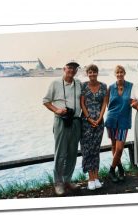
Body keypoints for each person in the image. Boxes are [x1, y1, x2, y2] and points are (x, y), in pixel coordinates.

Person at [43, 60, 82, 196]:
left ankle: (67, 181)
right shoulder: (55, 83)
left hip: (76, 121)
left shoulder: (79, 83)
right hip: (61, 121)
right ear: (64, 69)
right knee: (60, 154)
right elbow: (46, 101)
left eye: (74, 68)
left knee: (72, 153)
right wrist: (56, 110)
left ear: (77, 71)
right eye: (69, 67)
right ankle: (58, 183)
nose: (72, 70)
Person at [80, 64, 108, 190]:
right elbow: (82, 104)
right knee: (87, 149)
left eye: (94, 72)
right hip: (86, 122)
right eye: (89, 72)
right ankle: (90, 178)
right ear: (87, 74)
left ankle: (96, 176)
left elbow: (104, 104)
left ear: (97, 73)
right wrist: (89, 118)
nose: (92, 74)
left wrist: (100, 117)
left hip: (99, 122)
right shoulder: (84, 86)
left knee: (96, 149)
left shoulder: (103, 86)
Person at [105, 65, 133, 182]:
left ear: (124, 73)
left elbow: (134, 100)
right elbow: (106, 101)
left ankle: (111, 170)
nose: (119, 74)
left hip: (124, 121)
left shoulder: (131, 86)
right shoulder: (111, 87)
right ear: (115, 74)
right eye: (117, 73)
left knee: (120, 148)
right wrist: (112, 111)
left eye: (121, 72)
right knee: (113, 146)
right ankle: (120, 168)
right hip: (111, 120)